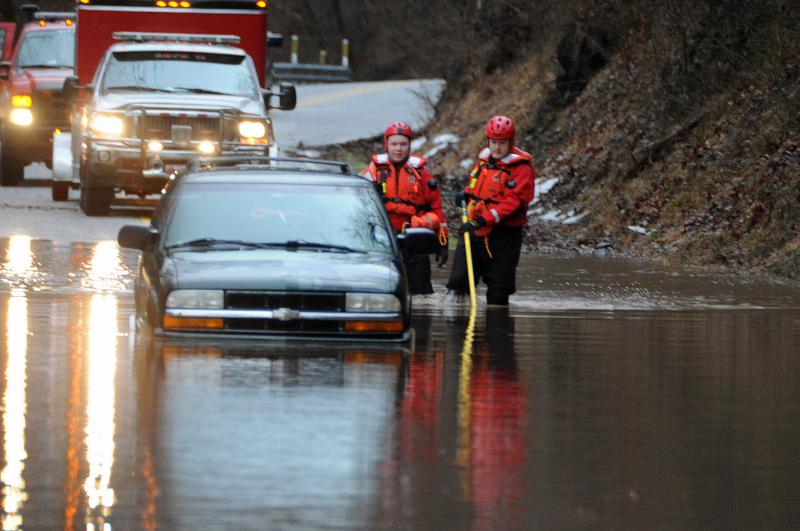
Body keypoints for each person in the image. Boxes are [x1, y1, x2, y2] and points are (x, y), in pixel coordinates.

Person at [446, 115, 535, 306]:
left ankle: (497, 326)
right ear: (488, 141)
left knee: (499, 290)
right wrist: (466, 195)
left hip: (503, 235)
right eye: (493, 142)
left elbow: (513, 202)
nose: (497, 148)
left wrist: (485, 219)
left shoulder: (521, 168)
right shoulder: (483, 162)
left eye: (502, 143)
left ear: (510, 142)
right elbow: (475, 185)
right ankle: (456, 322)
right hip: (476, 230)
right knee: (459, 283)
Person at [360, 121, 448, 295]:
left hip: (414, 239)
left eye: (402, 144)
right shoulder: (373, 172)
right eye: (394, 144)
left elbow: (437, 210)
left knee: (421, 293)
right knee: (383, 290)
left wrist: (441, 243)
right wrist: (371, 193)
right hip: (383, 239)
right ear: (387, 145)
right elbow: (356, 203)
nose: (398, 149)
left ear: (409, 146)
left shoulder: (421, 174)